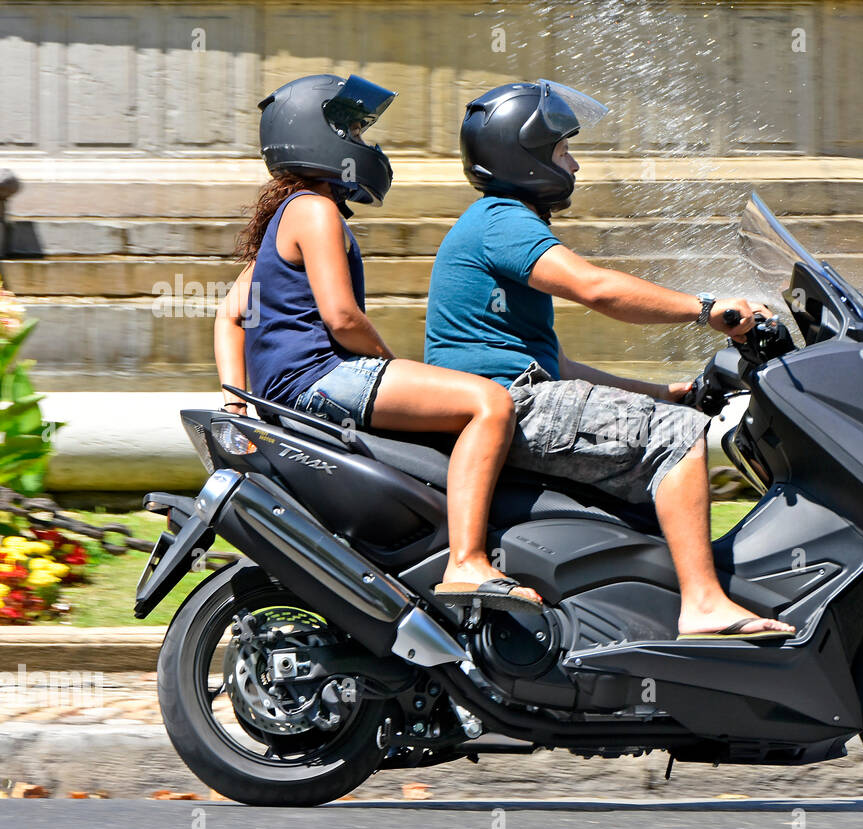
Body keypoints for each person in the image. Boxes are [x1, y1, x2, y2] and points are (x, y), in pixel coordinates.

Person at [424, 80, 795, 641]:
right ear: (522, 158)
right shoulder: (504, 220)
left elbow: (562, 370)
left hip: (517, 397)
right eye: (561, 151)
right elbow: (596, 289)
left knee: (670, 415)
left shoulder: (490, 222)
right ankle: (702, 604)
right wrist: (705, 309)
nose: (574, 164)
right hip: (514, 405)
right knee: (679, 436)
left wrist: (664, 392)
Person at [212, 73, 541, 612]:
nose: (364, 145)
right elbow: (341, 318)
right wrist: (387, 362)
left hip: (290, 388)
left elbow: (231, 316)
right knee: (490, 402)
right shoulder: (315, 211)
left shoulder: (287, 214)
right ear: (313, 133)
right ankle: (467, 563)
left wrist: (236, 400)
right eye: (353, 131)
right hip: (321, 376)